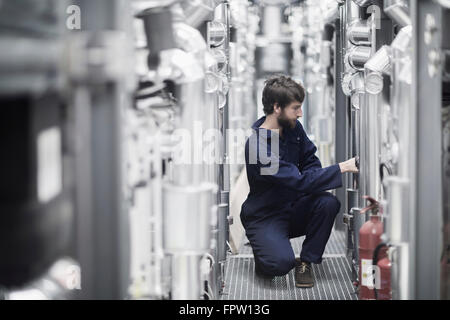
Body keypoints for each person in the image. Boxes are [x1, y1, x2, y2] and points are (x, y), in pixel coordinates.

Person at [240, 75, 358, 288]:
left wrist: (307, 180)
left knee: (328, 203)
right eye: (295, 108)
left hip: (294, 207)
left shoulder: (294, 128)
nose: (300, 113)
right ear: (277, 107)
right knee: (279, 265)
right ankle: (267, 253)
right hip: (265, 215)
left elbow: (310, 161)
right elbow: (299, 180)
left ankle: (306, 261)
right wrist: (342, 167)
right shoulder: (257, 147)